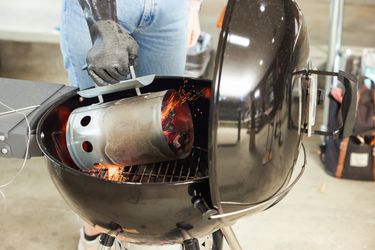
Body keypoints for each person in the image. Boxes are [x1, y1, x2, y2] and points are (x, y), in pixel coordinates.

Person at [59, 0, 207, 249]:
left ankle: (154, 231)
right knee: (98, 136)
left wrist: (193, 7)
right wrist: (102, 26)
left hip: (171, 10)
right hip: (100, 9)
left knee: (163, 131)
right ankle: (96, 231)